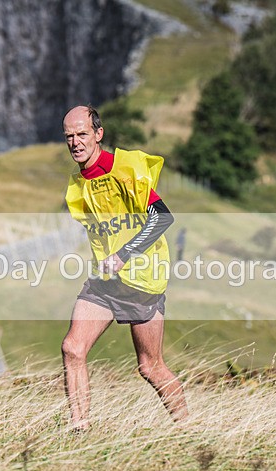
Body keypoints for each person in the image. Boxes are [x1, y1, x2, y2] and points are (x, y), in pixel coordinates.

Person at [61, 104, 188, 431]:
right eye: (69, 136)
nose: (75, 142)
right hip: (105, 281)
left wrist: (124, 254)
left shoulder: (126, 169)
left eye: (82, 134)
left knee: (150, 366)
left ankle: (187, 429)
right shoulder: (77, 185)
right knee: (73, 348)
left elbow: (163, 218)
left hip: (142, 281)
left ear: (98, 134)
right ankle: (79, 431)